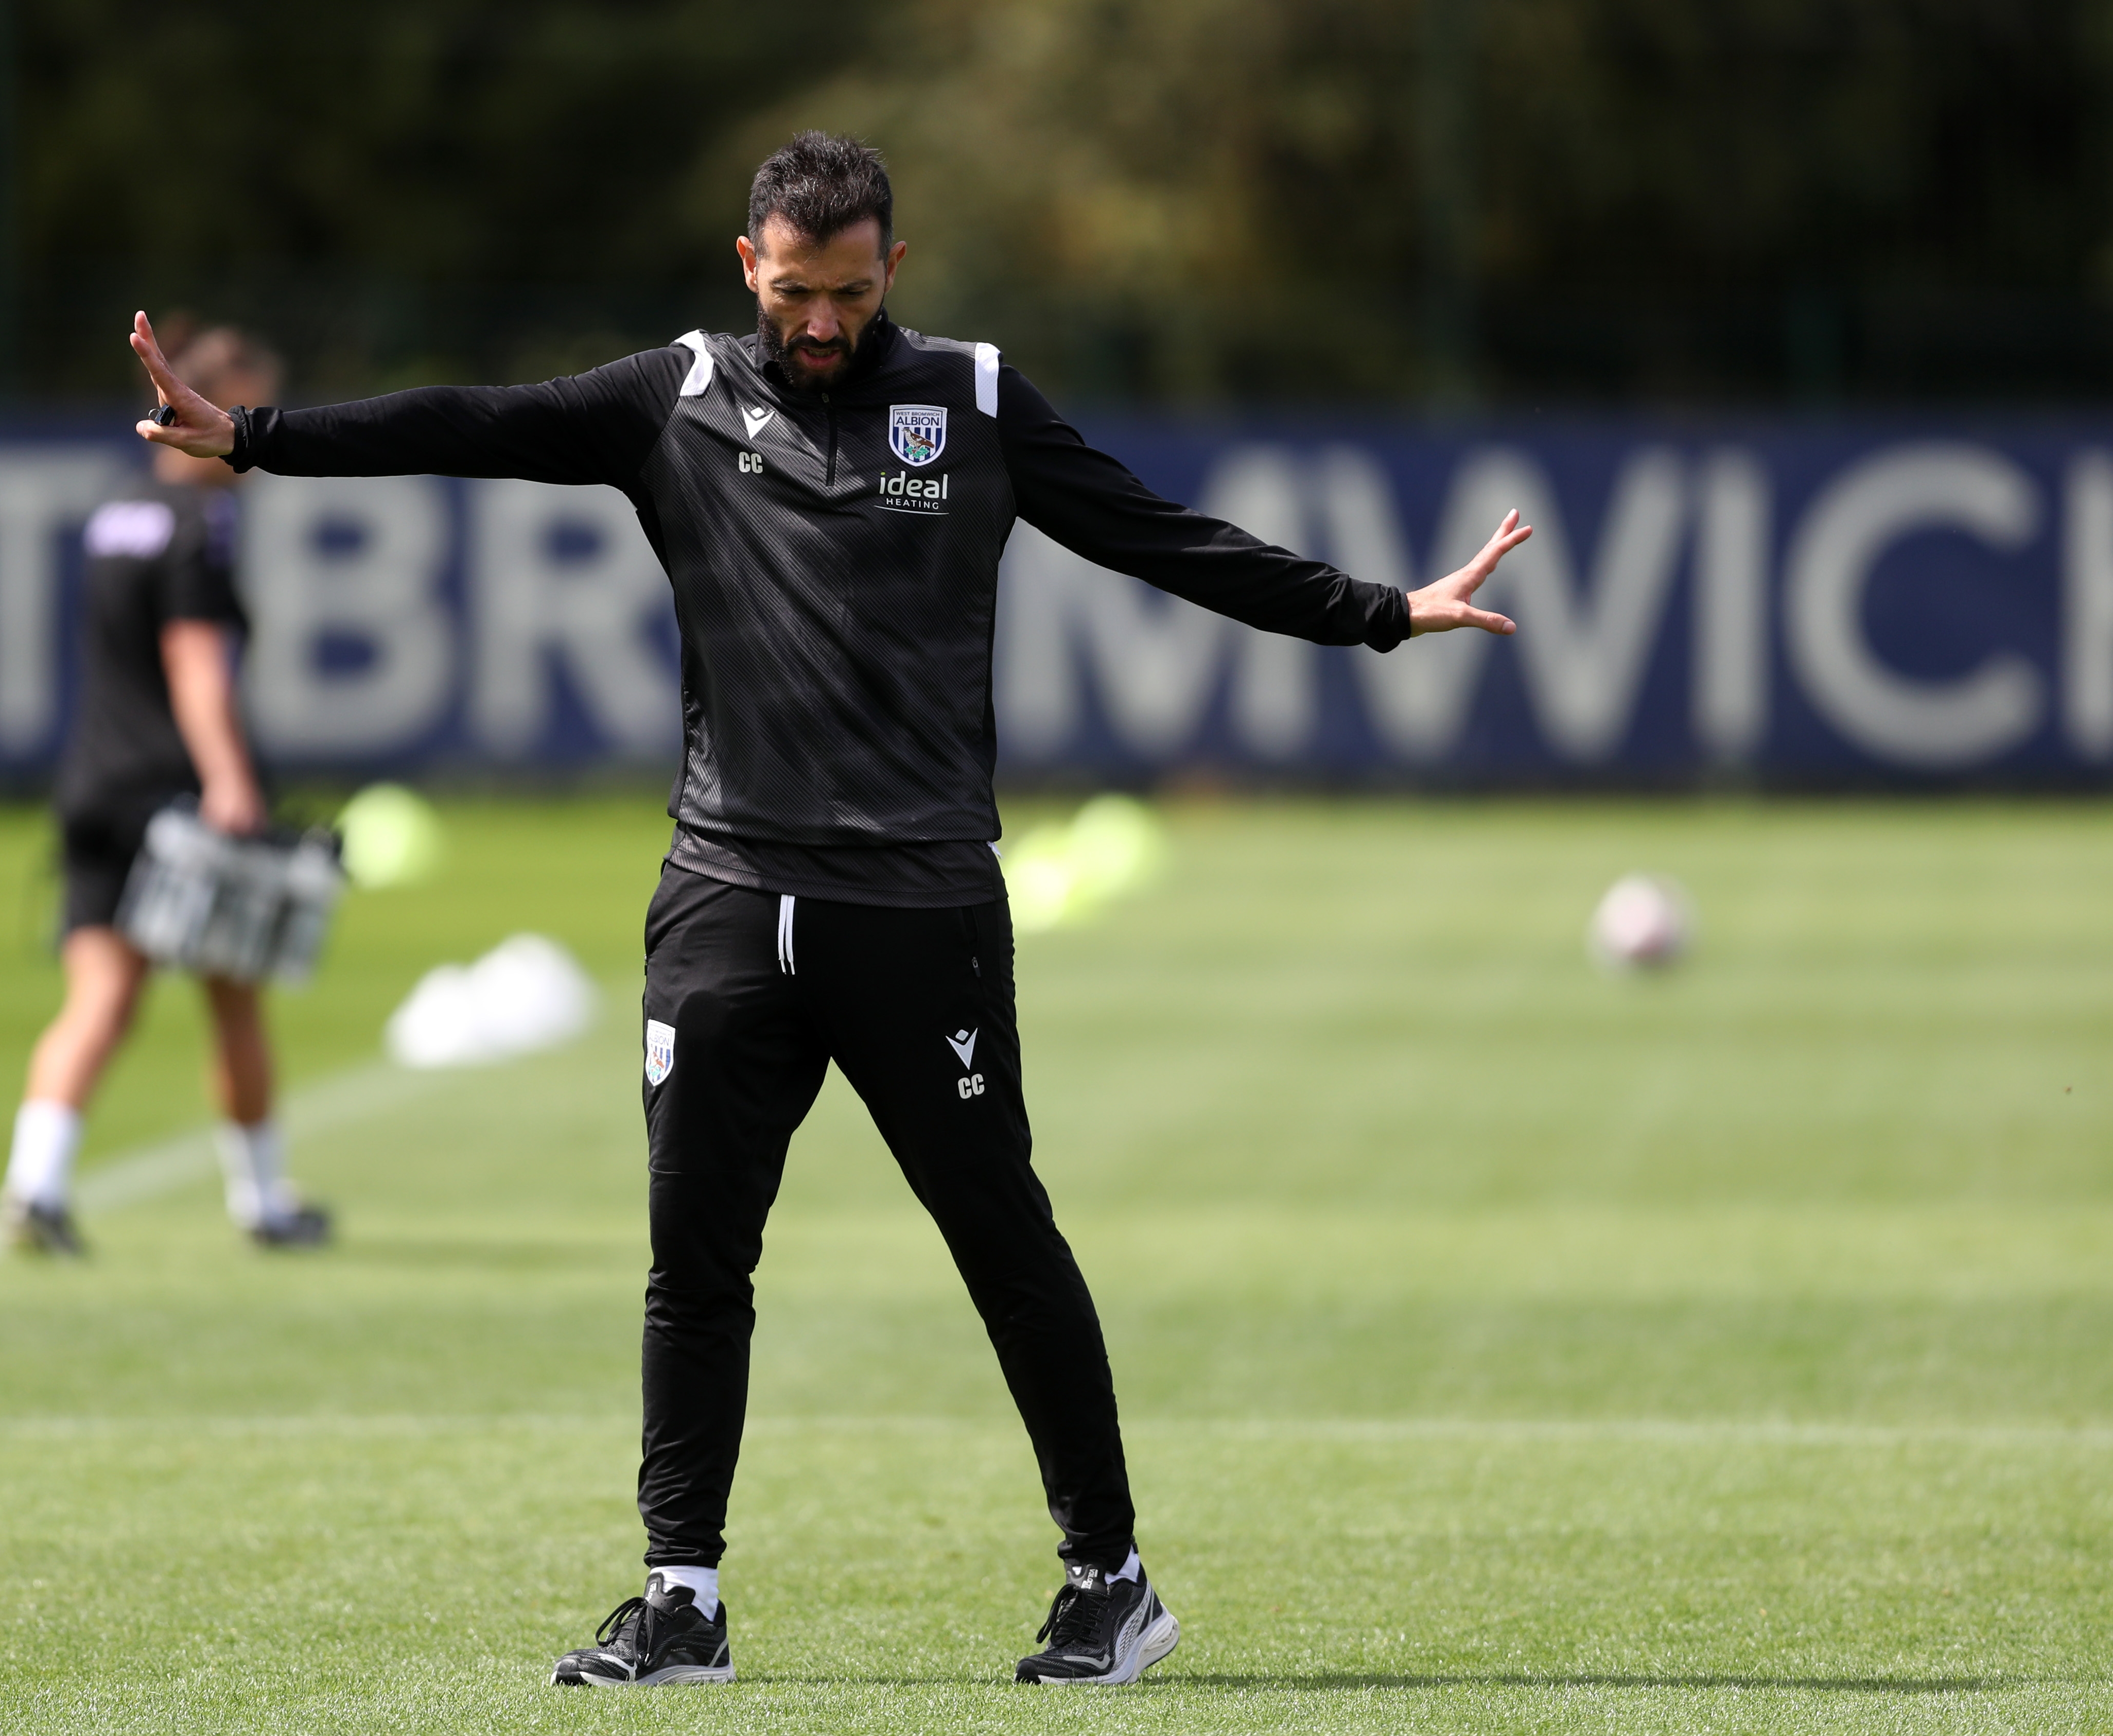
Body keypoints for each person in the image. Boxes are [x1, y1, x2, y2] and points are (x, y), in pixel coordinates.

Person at [127, 134, 1523, 1686]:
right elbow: (477, 423)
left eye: (849, 294)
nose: (819, 322)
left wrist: (1382, 613)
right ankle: (679, 1599)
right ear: (748, 268)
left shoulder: (978, 402)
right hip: (723, 902)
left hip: (918, 905)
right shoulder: (673, 397)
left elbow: (1163, 538)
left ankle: (1108, 1578)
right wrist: (252, 436)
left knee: (999, 1236)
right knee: (693, 1257)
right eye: (794, 291)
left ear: (894, 271)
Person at [0, 325, 333, 1257]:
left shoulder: (116, 514)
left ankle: (36, 1185)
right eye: (247, 412)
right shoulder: (201, 526)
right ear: (203, 405)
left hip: (93, 783)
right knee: (234, 996)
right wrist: (231, 785)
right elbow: (194, 666)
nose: (254, 439)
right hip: (174, 798)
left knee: (98, 998)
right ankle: (263, 1202)